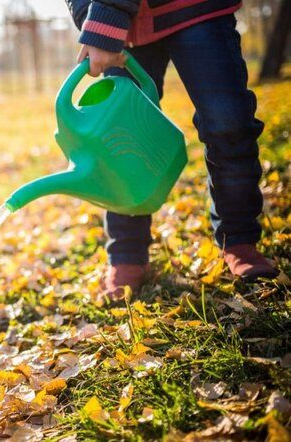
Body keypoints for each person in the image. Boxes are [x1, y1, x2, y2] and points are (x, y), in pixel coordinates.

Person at [63, 0, 279, 298]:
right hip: (129, 26)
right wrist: (89, 14)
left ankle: (240, 239)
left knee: (229, 124)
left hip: (194, 8)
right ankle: (127, 255)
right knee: (121, 143)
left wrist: (104, 19)